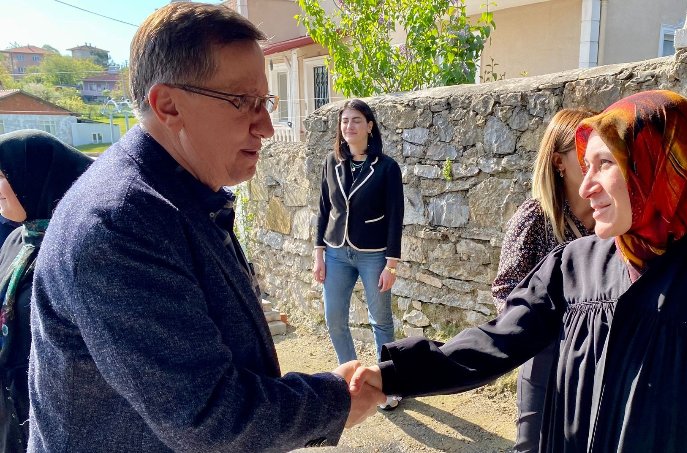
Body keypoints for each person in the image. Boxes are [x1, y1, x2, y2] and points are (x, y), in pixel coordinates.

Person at [350, 90, 687, 452]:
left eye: (605, 164)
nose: (587, 185)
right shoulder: (575, 264)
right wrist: (390, 375)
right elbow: (496, 342)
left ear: (658, 166)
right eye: (585, 166)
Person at [28, 4, 383, 452]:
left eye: (265, 102)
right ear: (168, 105)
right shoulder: (120, 223)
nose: (267, 127)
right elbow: (206, 417)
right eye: (243, 101)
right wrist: (333, 402)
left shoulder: (180, 196)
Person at [491, 108, 595, 452]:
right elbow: (506, 290)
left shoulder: (612, 217)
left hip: (599, 360)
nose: (595, 157)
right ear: (558, 161)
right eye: (583, 148)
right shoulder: (536, 218)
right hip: (545, 359)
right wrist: (537, 330)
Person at [0, 130, 92, 453]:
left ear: (35, 177)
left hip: (58, 415)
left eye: (3, 175)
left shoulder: (78, 252)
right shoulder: (18, 240)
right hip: (11, 409)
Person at [313, 98, 405, 409]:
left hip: (373, 254)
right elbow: (323, 209)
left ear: (369, 126)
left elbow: (395, 216)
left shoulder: (387, 167)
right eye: (344, 121)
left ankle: (388, 384)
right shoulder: (331, 162)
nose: (349, 126)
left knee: (381, 320)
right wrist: (318, 254)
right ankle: (351, 380)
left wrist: (391, 265)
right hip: (336, 252)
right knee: (334, 318)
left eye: (355, 120)